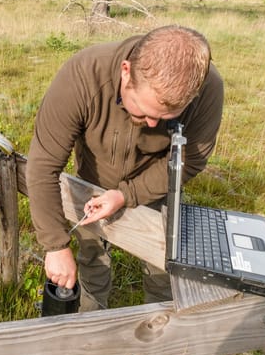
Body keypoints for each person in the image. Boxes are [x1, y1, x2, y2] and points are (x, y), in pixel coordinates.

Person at [26, 25, 223, 311]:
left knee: (161, 261)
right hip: (93, 180)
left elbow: (190, 159)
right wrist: (55, 246)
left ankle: (157, 319)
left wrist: (126, 195)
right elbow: (42, 166)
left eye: (166, 117)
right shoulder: (82, 76)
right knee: (91, 253)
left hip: (157, 183)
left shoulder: (208, 89)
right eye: (142, 111)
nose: (153, 124)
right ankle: (91, 311)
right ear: (126, 71)